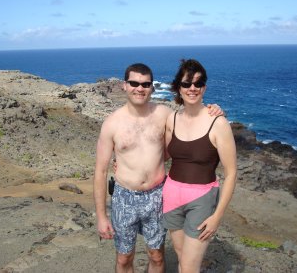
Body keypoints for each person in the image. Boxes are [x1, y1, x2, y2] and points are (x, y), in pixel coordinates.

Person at [93, 63, 223, 273]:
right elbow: (99, 171)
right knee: (124, 258)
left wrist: (212, 108)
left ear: (152, 87)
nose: (140, 88)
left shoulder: (165, 115)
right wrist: (101, 216)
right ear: (124, 86)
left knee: (157, 256)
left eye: (145, 84)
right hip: (124, 197)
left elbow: (190, 117)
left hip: (157, 195)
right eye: (134, 83)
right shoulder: (112, 123)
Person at [163, 59, 237, 272]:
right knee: (181, 257)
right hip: (171, 196)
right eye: (186, 84)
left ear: (204, 87)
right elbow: (166, 156)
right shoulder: (172, 119)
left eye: (198, 83)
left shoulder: (218, 123)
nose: (192, 88)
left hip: (202, 199)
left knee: (188, 266)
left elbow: (231, 174)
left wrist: (217, 217)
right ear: (179, 87)